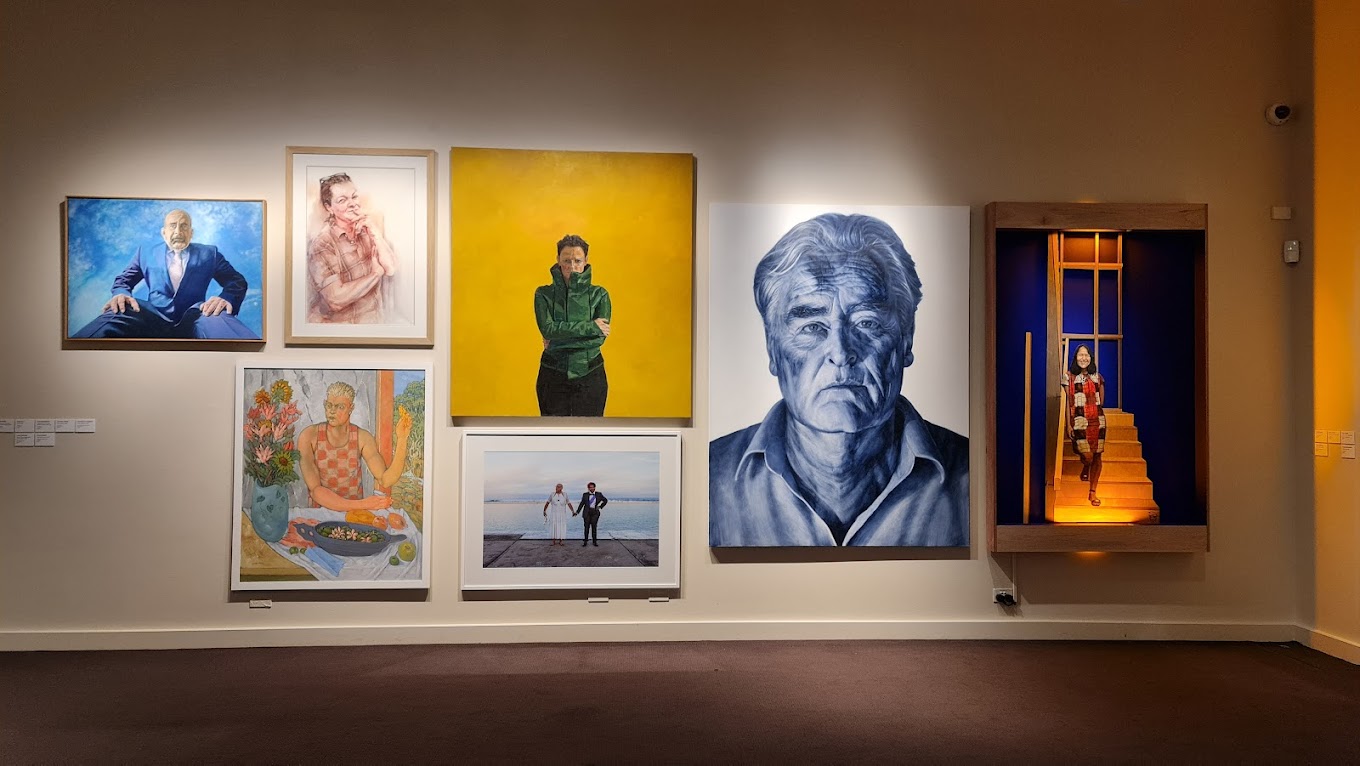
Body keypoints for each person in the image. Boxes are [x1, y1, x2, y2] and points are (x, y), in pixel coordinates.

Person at [709, 213, 969, 547]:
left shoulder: (971, 475)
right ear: (772, 348)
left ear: (906, 340)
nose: (841, 352)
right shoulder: (712, 475)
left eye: (867, 323)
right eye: (812, 327)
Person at [73, 209, 255, 339]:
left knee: (219, 318)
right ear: (163, 232)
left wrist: (226, 298)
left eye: (184, 226)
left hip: (197, 316)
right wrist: (121, 294)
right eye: (173, 226)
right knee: (119, 311)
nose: (178, 232)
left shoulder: (210, 253)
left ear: (191, 233)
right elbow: (123, 281)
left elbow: (236, 281)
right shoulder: (145, 252)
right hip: (150, 318)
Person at [298, 382, 412, 513]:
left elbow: (385, 480)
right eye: (329, 405)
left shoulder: (362, 437)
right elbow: (316, 491)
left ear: (351, 408)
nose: (332, 411)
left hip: (354, 516)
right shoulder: (309, 436)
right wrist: (364, 504)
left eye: (340, 407)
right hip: (321, 514)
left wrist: (402, 439)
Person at [534, 234, 612, 416]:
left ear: (586, 260)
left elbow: (598, 339)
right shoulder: (543, 294)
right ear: (558, 260)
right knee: (552, 432)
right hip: (552, 375)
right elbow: (547, 329)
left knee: (589, 432)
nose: (572, 266)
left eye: (577, 260)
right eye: (566, 260)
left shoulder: (600, 294)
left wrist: (556, 341)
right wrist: (591, 326)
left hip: (591, 375)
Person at [307, 172, 397, 324]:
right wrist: (375, 274)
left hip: (375, 323)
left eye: (354, 197)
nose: (353, 204)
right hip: (339, 329)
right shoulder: (323, 244)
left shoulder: (367, 229)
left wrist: (375, 233)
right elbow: (336, 299)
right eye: (342, 200)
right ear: (329, 207)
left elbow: (391, 268)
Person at [1064, 344, 1106, 507]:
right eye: (1080, 355)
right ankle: (1086, 466)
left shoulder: (1097, 376)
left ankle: (1092, 492)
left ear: (1091, 358)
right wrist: (1068, 424)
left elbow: (1101, 400)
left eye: (1086, 355)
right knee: (1087, 456)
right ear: (1076, 358)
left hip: (1097, 420)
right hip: (1079, 421)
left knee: (1097, 455)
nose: (1084, 358)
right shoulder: (1068, 377)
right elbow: (1067, 402)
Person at [574, 481, 609, 547]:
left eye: (593, 487)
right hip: (587, 513)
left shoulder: (599, 494)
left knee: (594, 527)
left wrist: (600, 506)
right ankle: (585, 542)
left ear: (595, 487)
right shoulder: (585, 494)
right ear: (588, 488)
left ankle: (594, 542)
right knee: (586, 527)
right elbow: (582, 504)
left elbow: (605, 500)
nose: (592, 488)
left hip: (595, 513)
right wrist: (577, 512)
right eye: (590, 487)